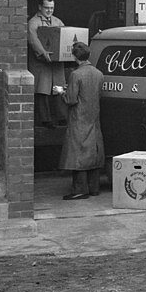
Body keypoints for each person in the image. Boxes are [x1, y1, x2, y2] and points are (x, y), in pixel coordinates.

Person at [55, 41, 105, 200]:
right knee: (93, 151)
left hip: (79, 118)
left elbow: (71, 100)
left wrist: (61, 91)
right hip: (93, 117)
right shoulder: (98, 73)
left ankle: (79, 190)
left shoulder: (76, 74)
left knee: (78, 153)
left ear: (75, 57)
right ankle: (93, 188)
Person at [27, 0, 67, 128]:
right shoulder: (33, 22)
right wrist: (44, 53)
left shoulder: (58, 21)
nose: (50, 11)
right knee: (42, 91)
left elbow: (66, 38)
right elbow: (33, 40)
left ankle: (62, 118)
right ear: (40, 7)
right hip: (41, 64)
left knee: (58, 90)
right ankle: (45, 120)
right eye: (47, 8)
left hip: (56, 64)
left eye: (52, 8)